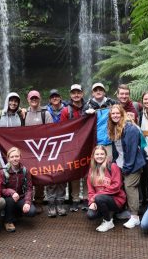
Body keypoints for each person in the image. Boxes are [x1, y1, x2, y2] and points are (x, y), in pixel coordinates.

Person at [108, 104, 146, 229]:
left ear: (122, 113)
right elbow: (117, 148)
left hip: (132, 164)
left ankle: (135, 217)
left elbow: (132, 150)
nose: (115, 115)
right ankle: (125, 211)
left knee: (130, 187)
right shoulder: (114, 127)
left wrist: (127, 168)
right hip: (120, 163)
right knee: (121, 187)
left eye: (117, 113)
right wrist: (114, 162)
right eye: (112, 113)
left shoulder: (130, 128)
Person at [60, 84, 88, 212]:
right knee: (75, 172)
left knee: (87, 172)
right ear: (70, 95)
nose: (76, 95)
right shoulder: (66, 111)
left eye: (78, 92)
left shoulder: (88, 107)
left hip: (87, 143)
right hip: (72, 146)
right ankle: (75, 199)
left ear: (82, 93)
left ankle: (87, 198)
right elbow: (62, 129)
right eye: (73, 93)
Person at [24, 90, 53, 214]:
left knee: (40, 174)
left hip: (42, 150)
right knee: (28, 175)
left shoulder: (45, 113)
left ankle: (39, 201)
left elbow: (52, 130)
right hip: (27, 149)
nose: (34, 100)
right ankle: (27, 201)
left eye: (36, 98)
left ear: (39, 99)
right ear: (28, 100)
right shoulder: (23, 114)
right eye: (32, 98)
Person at [86, 145, 126, 232]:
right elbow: (90, 190)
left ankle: (108, 221)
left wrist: (96, 197)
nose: (99, 156)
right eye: (97, 154)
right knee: (90, 215)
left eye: (102, 154)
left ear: (105, 155)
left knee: (99, 198)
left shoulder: (112, 166)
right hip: (99, 199)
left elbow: (116, 186)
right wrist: (91, 202)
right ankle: (108, 213)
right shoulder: (91, 170)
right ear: (93, 156)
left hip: (116, 200)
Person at [1, 147, 36, 232]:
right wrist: (12, 192)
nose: (14, 159)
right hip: (8, 198)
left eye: (16, 156)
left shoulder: (25, 171)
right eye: (12, 157)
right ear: (8, 158)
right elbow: (1, 189)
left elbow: (29, 188)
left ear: (20, 157)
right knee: (10, 200)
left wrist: (27, 202)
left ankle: (17, 213)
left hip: (21, 197)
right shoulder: (3, 172)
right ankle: (8, 221)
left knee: (31, 211)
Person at [45, 89, 67, 217]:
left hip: (64, 146)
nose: (55, 98)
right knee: (51, 174)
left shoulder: (67, 110)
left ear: (60, 97)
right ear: (49, 99)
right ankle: (51, 204)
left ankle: (60, 203)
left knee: (62, 175)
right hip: (49, 148)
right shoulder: (45, 111)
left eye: (57, 96)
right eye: (52, 97)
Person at [0, 92, 24, 168]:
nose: (13, 103)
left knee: (14, 168)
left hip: (14, 147)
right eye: (11, 100)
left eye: (16, 101)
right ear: (7, 101)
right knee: (0, 168)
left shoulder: (20, 116)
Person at [83, 82, 117, 156]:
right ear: (92, 93)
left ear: (104, 92)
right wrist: (86, 114)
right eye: (96, 90)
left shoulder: (112, 103)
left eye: (100, 90)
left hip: (111, 142)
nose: (98, 92)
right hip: (95, 143)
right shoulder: (87, 106)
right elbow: (83, 124)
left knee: (109, 164)